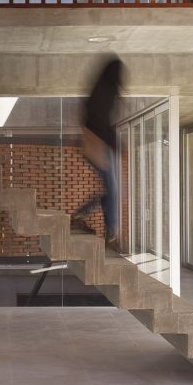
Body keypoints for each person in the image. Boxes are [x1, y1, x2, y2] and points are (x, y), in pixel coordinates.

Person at [71, 57, 122, 251]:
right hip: (100, 147)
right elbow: (96, 120)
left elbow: (92, 117)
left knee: (110, 191)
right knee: (112, 190)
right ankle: (111, 234)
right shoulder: (105, 90)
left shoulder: (102, 89)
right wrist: (103, 146)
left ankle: (82, 216)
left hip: (99, 146)